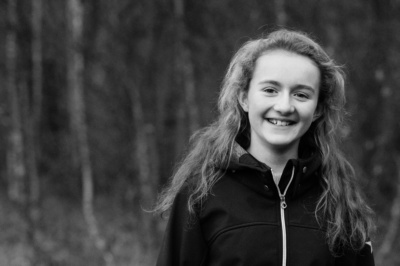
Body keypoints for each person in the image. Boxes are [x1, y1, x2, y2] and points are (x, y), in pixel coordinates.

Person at [154, 29, 375, 266]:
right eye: (270, 90)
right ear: (244, 97)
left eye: (301, 94)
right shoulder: (200, 192)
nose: (284, 106)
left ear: (318, 109)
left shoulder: (338, 198)